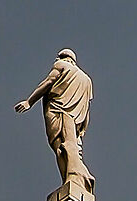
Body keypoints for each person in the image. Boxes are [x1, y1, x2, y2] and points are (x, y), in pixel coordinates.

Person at [15, 50, 94, 189]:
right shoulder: (86, 79)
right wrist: (81, 129)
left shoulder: (61, 65)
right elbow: (87, 107)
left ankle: (75, 176)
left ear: (63, 58)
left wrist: (29, 102)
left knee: (62, 146)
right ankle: (74, 177)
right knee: (69, 146)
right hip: (75, 119)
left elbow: (49, 82)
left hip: (59, 111)